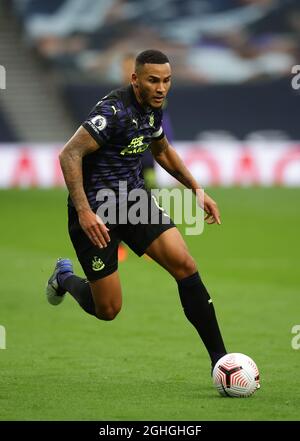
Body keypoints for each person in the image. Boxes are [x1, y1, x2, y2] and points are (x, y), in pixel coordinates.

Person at [46, 49, 227, 374]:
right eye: (153, 80)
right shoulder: (112, 111)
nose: (161, 88)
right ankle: (65, 277)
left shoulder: (154, 109)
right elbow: (69, 155)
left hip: (134, 203)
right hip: (96, 211)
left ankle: (221, 361)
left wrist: (197, 190)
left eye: (167, 81)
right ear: (135, 79)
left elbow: (163, 151)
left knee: (184, 264)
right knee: (108, 309)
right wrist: (85, 212)